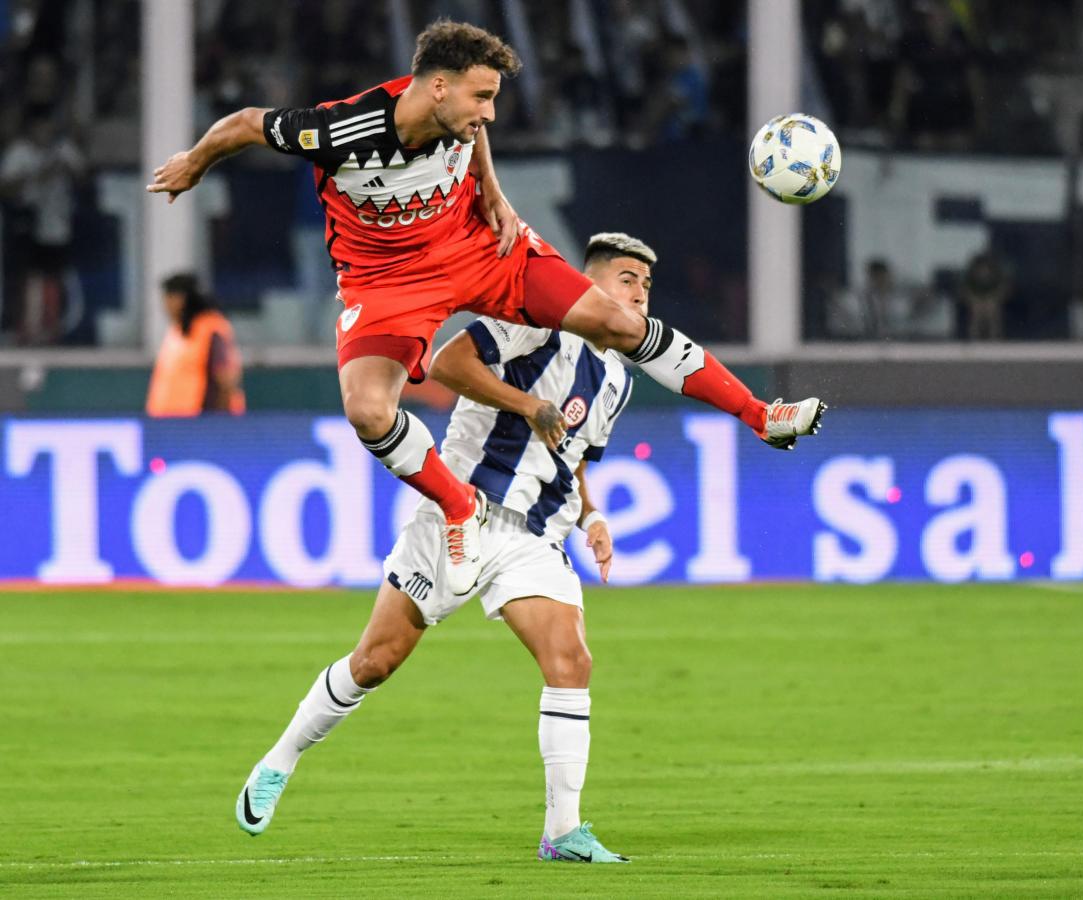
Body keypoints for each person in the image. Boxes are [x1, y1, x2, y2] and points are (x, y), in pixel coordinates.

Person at [147, 19, 825, 597]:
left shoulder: (455, 113)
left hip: (479, 247)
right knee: (367, 409)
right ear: (437, 86)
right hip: (387, 281)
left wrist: (492, 191)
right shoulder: (340, 130)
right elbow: (241, 125)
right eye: (482, 96)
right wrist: (195, 163)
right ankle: (458, 504)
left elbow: (471, 134)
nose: (489, 113)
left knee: (617, 323)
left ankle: (759, 416)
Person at [235, 232, 669, 863]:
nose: (639, 292)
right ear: (590, 281)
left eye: (646, 284)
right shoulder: (534, 321)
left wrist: (591, 515)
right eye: (627, 278)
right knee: (375, 661)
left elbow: (569, 453)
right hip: (459, 514)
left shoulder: (615, 381)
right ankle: (280, 760)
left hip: (535, 535)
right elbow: (444, 364)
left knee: (570, 661)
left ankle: (563, 832)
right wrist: (527, 404)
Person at [0, 114, 84, 344]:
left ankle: (51, 328)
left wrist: (65, 168)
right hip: (26, 223)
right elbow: (6, 187)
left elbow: (82, 179)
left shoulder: (63, 150)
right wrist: (39, 174)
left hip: (56, 225)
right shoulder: (20, 153)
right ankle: (24, 328)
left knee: (53, 277)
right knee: (26, 278)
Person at [145, 273, 246, 417]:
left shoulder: (210, 328)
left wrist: (221, 424)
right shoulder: (177, 332)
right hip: (172, 422)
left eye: (168, 298)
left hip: (199, 424)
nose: (165, 305)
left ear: (181, 299)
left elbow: (226, 380)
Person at [960, 248, 1011, 341]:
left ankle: (995, 338)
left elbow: (1004, 289)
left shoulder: (998, 277)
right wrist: (973, 300)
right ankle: (974, 338)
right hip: (975, 301)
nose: (983, 272)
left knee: (992, 311)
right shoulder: (969, 279)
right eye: (981, 269)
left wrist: (994, 299)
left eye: (985, 269)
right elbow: (964, 290)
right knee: (977, 313)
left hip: (992, 301)